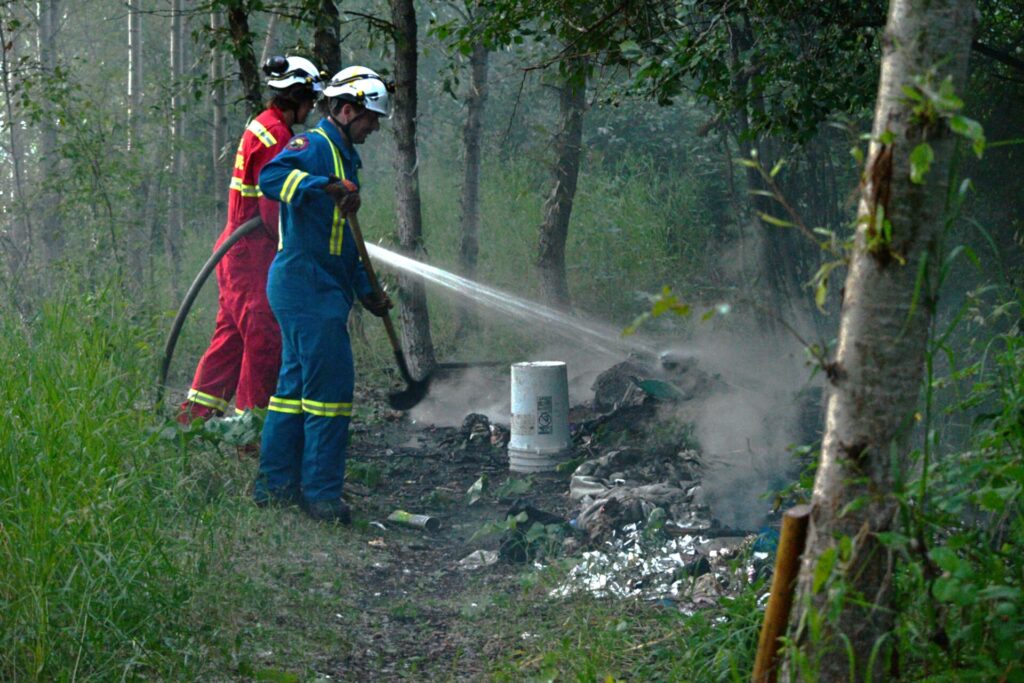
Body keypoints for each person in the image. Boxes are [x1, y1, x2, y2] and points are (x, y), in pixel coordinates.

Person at [254, 66, 393, 523]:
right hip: (302, 283)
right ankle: (321, 495)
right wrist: (321, 186)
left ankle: (275, 488)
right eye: (370, 117)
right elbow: (270, 178)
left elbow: (340, 240)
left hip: (322, 283)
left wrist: (366, 289)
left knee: (293, 392)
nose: (374, 127)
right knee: (330, 391)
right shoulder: (314, 146)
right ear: (346, 109)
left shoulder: (347, 157)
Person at [178, 56, 324, 424]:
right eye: (309, 100)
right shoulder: (277, 135)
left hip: (236, 253)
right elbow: (273, 209)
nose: (311, 109)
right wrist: (299, 248)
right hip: (252, 255)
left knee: (230, 343)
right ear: (296, 95)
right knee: (264, 342)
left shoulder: (264, 125)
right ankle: (251, 431)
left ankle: (191, 422)